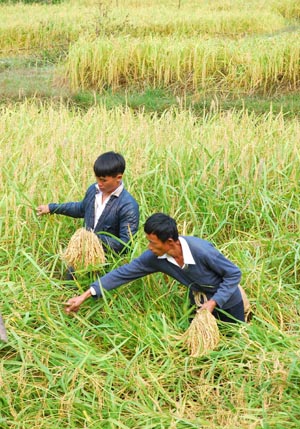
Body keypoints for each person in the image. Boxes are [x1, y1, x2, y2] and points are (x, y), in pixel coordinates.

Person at [65, 213, 245, 323]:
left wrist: (214, 302)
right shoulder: (155, 257)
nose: (149, 247)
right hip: (198, 303)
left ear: (169, 242)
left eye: (152, 242)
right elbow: (123, 273)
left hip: (228, 302)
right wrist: (85, 294)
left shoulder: (201, 251)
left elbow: (234, 274)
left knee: (235, 341)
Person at [37, 151, 139, 276]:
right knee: (68, 289)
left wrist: (93, 239)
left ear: (118, 178)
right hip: (81, 258)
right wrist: (52, 208)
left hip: (105, 267)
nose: (99, 183)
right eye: (97, 178)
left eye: (103, 180)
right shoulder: (93, 190)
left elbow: (126, 244)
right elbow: (80, 208)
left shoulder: (128, 206)